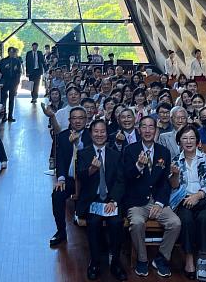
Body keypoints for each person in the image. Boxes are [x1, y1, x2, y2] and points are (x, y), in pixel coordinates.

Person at [123, 115, 180, 278]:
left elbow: (165, 182)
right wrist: (138, 166)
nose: (148, 130)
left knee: (175, 223)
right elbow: (125, 178)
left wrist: (160, 203)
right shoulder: (130, 150)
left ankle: (161, 258)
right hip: (136, 202)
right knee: (137, 223)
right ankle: (142, 259)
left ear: (156, 130)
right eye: (144, 127)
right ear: (139, 129)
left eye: (151, 127)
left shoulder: (164, 152)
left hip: (157, 200)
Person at [77, 119, 126, 281]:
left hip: (110, 200)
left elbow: (120, 181)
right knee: (94, 222)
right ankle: (95, 262)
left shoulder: (115, 154)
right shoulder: (83, 153)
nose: (99, 134)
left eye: (102, 131)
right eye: (96, 131)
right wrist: (91, 169)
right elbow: (80, 179)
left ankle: (116, 262)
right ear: (91, 134)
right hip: (93, 199)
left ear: (107, 133)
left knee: (116, 222)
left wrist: (114, 201)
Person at [169, 124, 206, 281]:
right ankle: (190, 259)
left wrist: (198, 196)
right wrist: (175, 175)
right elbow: (173, 187)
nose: (188, 141)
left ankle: (203, 259)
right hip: (184, 201)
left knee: (204, 218)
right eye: (184, 138)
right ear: (179, 142)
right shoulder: (175, 161)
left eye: (192, 138)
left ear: (198, 141)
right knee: (185, 219)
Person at [50, 106, 90, 247]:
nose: (78, 121)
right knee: (57, 194)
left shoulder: (92, 136)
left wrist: (78, 144)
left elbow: (89, 158)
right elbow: (60, 159)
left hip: (88, 179)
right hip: (69, 179)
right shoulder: (62, 136)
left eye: (81, 118)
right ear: (69, 120)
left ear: (86, 120)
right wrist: (60, 179)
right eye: (74, 118)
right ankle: (61, 231)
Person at [0, 47, 23, 122]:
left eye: (13, 52)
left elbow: (19, 72)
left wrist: (17, 71)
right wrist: (5, 68)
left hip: (13, 82)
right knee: (4, 99)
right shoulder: (3, 60)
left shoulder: (17, 61)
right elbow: (1, 70)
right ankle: (3, 115)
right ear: (8, 52)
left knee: (12, 99)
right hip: (5, 81)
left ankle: (10, 116)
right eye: (11, 52)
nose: (12, 53)